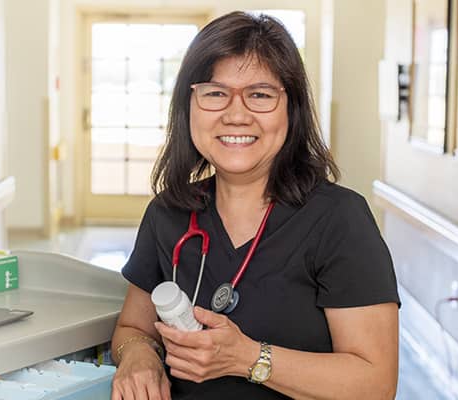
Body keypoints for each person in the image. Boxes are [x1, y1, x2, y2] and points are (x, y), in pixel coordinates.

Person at [108, 11, 400, 400]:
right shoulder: (169, 213)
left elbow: (375, 383)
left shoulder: (339, 220)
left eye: (260, 95)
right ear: (188, 107)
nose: (236, 114)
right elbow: (132, 328)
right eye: (215, 93)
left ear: (291, 111)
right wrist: (138, 356)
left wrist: (247, 358)